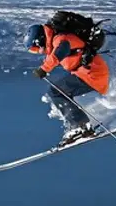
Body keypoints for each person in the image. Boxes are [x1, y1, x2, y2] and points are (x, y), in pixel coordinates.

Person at [25, 12, 111, 145]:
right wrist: (43, 68)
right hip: (89, 73)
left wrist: (44, 69)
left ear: (41, 39)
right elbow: (53, 56)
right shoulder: (56, 41)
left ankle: (80, 126)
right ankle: (79, 126)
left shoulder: (60, 39)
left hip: (91, 74)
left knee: (55, 92)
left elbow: (61, 52)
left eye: (37, 48)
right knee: (58, 92)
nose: (39, 51)